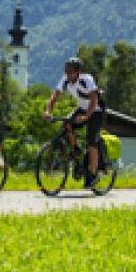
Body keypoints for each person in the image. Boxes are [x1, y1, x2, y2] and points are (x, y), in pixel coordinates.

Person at [43, 57, 105, 188]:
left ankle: (93, 175)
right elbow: (53, 98)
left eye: (71, 72)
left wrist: (86, 116)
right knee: (67, 123)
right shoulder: (65, 80)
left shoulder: (86, 80)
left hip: (96, 111)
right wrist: (48, 111)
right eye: (67, 71)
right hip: (82, 109)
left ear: (78, 72)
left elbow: (94, 100)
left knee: (92, 142)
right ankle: (75, 149)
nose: (68, 74)